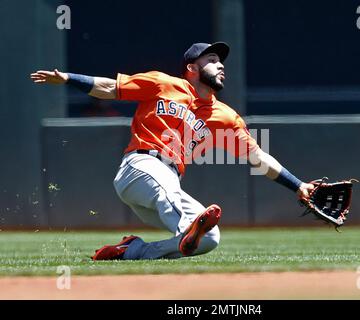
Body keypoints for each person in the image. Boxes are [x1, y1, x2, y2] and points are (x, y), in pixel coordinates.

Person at [30, 42, 315, 260]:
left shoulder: (224, 116)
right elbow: (111, 88)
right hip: (141, 168)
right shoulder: (163, 84)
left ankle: (133, 250)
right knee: (187, 219)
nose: (220, 65)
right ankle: (189, 227)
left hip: (166, 184)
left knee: (209, 239)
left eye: (221, 62)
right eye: (212, 60)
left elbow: (258, 158)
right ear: (192, 68)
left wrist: (298, 185)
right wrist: (68, 78)